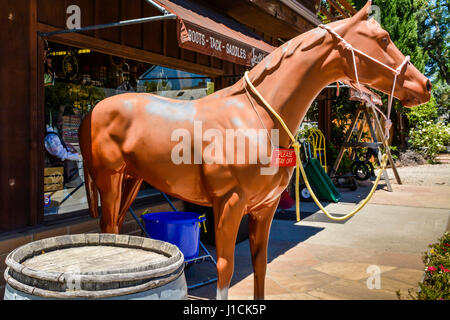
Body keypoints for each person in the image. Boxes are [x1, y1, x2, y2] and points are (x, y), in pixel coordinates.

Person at [45, 112, 82, 188]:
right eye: (60, 121)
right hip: (62, 176)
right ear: (55, 123)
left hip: (68, 175)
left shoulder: (54, 135)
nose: (62, 123)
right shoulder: (51, 137)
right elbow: (61, 154)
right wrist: (78, 156)